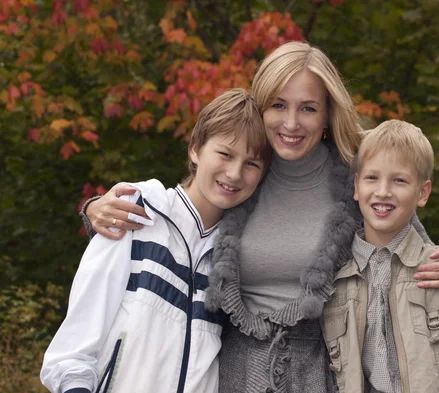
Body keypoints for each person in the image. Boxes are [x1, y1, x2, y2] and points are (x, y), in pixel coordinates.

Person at [81, 42, 439, 393]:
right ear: (261, 106)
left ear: (327, 114)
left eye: (308, 108)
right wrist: (96, 209)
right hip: (230, 372)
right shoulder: (243, 173)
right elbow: (183, 224)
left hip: (322, 372)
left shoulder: (355, 177)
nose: (292, 123)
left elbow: (408, 248)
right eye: (279, 105)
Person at [40, 89, 272, 393]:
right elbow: (71, 353)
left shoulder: (236, 257)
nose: (234, 173)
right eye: (225, 154)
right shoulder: (136, 214)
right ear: (195, 150)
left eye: (252, 164)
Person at [322, 120, 439, 393]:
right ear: (357, 186)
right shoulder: (337, 283)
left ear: (423, 193)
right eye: (372, 178)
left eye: (399, 180)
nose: (383, 191)